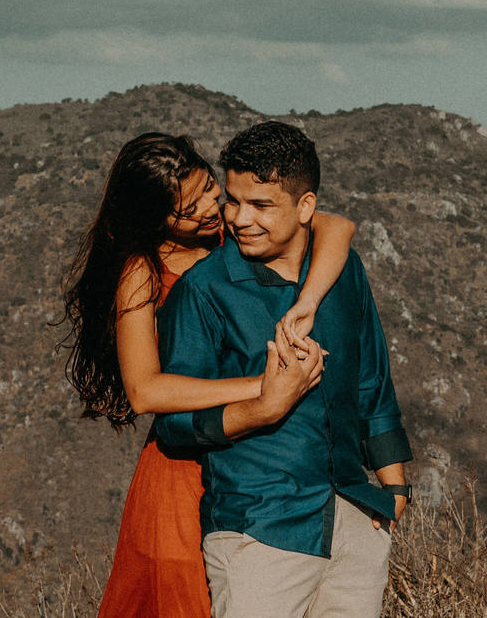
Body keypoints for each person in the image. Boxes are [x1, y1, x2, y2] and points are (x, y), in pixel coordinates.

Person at [61, 132, 355, 618]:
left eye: (208, 189)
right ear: (153, 217)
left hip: (259, 463)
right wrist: (265, 386)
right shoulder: (142, 271)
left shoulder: (236, 233)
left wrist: (307, 302)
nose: (209, 208)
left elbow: (337, 227)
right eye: (187, 207)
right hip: (182, 470)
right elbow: (144, 391)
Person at [155, 121, 413, 618]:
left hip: (356, 521)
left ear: (305, 206)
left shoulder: (344, 270)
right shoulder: (203, 290)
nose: (239, 218)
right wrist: (262, 409)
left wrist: (394, 488)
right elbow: (175, 425)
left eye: (261, 205)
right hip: (260, 529)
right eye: (233, 201)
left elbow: (372, 381)